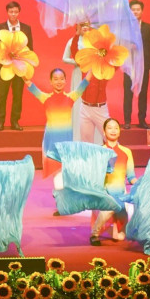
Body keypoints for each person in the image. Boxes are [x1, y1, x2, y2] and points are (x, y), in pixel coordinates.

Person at [26, 68, 92, 205]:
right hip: (52, 142)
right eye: (55, 79)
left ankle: (61, 196)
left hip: (66, 143)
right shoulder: (45, 98)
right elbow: (29, 84)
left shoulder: (70, 97)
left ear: (66, 81)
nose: (59, 81)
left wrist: (95, 64)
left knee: (64, 172)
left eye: (61, 79)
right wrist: (19, 68)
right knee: (57, 171)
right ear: (50, 81)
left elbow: (85, 82)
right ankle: (61, 202)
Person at [90, 118, 135, 246]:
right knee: (110, 208)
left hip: (121, 195)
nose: (113, 130)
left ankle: (113, 228)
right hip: (104, 194)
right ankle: (94, 234)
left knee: (120, 237)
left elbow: (131, 176)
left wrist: (141, 185)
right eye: (109, 128)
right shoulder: (98, 152)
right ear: (104, 132)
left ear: (120, 131)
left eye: (116, 128)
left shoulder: (127, 152)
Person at [0, 1, 33, 131]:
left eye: (15, 12)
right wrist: (4, 40)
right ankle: (0, 122)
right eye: (11, 12)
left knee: (18, 95)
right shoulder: (0, 27)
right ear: (7, 12)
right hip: (5, 66)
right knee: (2, 95)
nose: (13, 14)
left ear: (19, 12)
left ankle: (15, 121)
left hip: (19, 66)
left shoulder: (26, 28)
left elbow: (30, 48)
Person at [70, 35, 112, 143]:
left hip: (100, 109)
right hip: (85, 107)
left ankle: (118, 154)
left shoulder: (106, 66)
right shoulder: (86, 62)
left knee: (110, 139)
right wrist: (77, 34)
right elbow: (75, 52)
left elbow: (117, 62)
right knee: (86, 143)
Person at [122, 0, 150, 130]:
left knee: (143, 93)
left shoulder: (148, 27)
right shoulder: (125, 27)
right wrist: (128, 46)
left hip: (144, 65)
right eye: (133, 10)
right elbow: (120, 44)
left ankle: (142, 120)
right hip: (129, 64)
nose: (135, 12)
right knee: (128, 92)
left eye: (138, 9)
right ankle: (127, 121)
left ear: (142, 11)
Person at [62, 22, 92, 142]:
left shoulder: (95, 41)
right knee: (78, 103)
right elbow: (64, 58)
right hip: (78, 74)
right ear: (77, 27)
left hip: (92, 73)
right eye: (82, 25)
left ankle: (93, 138)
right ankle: (77, 137)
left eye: (87, 25)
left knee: (92, 103)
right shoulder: (72, 41)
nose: (84, 27)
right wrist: (77, 62)